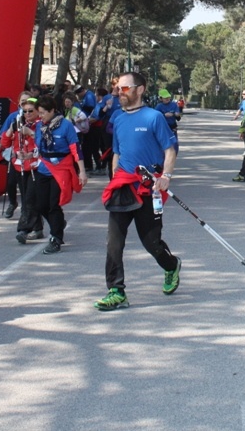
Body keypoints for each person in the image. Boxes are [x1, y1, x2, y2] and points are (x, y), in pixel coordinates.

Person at [97, 72, 181, 311]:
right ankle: (116, 291)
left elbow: (170, 150)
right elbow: (117, 153)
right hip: (123, 187)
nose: (119, 92)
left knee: (151, 242)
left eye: (124, 88)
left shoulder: (154, 117)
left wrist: (165, 177)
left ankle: (171, 265)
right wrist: (114, 179)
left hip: (148, 188)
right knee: (114, 242)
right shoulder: (118, 118)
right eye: (118, 88)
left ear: (140, 89)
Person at [16, 95, 86, 254]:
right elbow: (40, 148)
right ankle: (58, 223)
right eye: (39, 113)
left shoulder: (66, 126)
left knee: (54, 204)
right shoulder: (40, 126)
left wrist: (82, 171)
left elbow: (76, 149)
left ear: (52, 110)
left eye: (42, 113)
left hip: (61, 169)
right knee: (41, 205)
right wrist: (28, 156)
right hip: (44, 168)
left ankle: (56, 238)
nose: (40, 116)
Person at [0, 96, 43, 240]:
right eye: (25, 111)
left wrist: (31, 133)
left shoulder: (42, 124)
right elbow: (5, 143)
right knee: (27, 199)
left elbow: (45, 144)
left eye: (31, 111)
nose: (27, 114)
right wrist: (10, 130)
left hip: (37, 167)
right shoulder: (17, 123)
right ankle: (38, 228)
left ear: (37, 111)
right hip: (20, 167)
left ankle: (23, 230)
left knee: (30, 199)